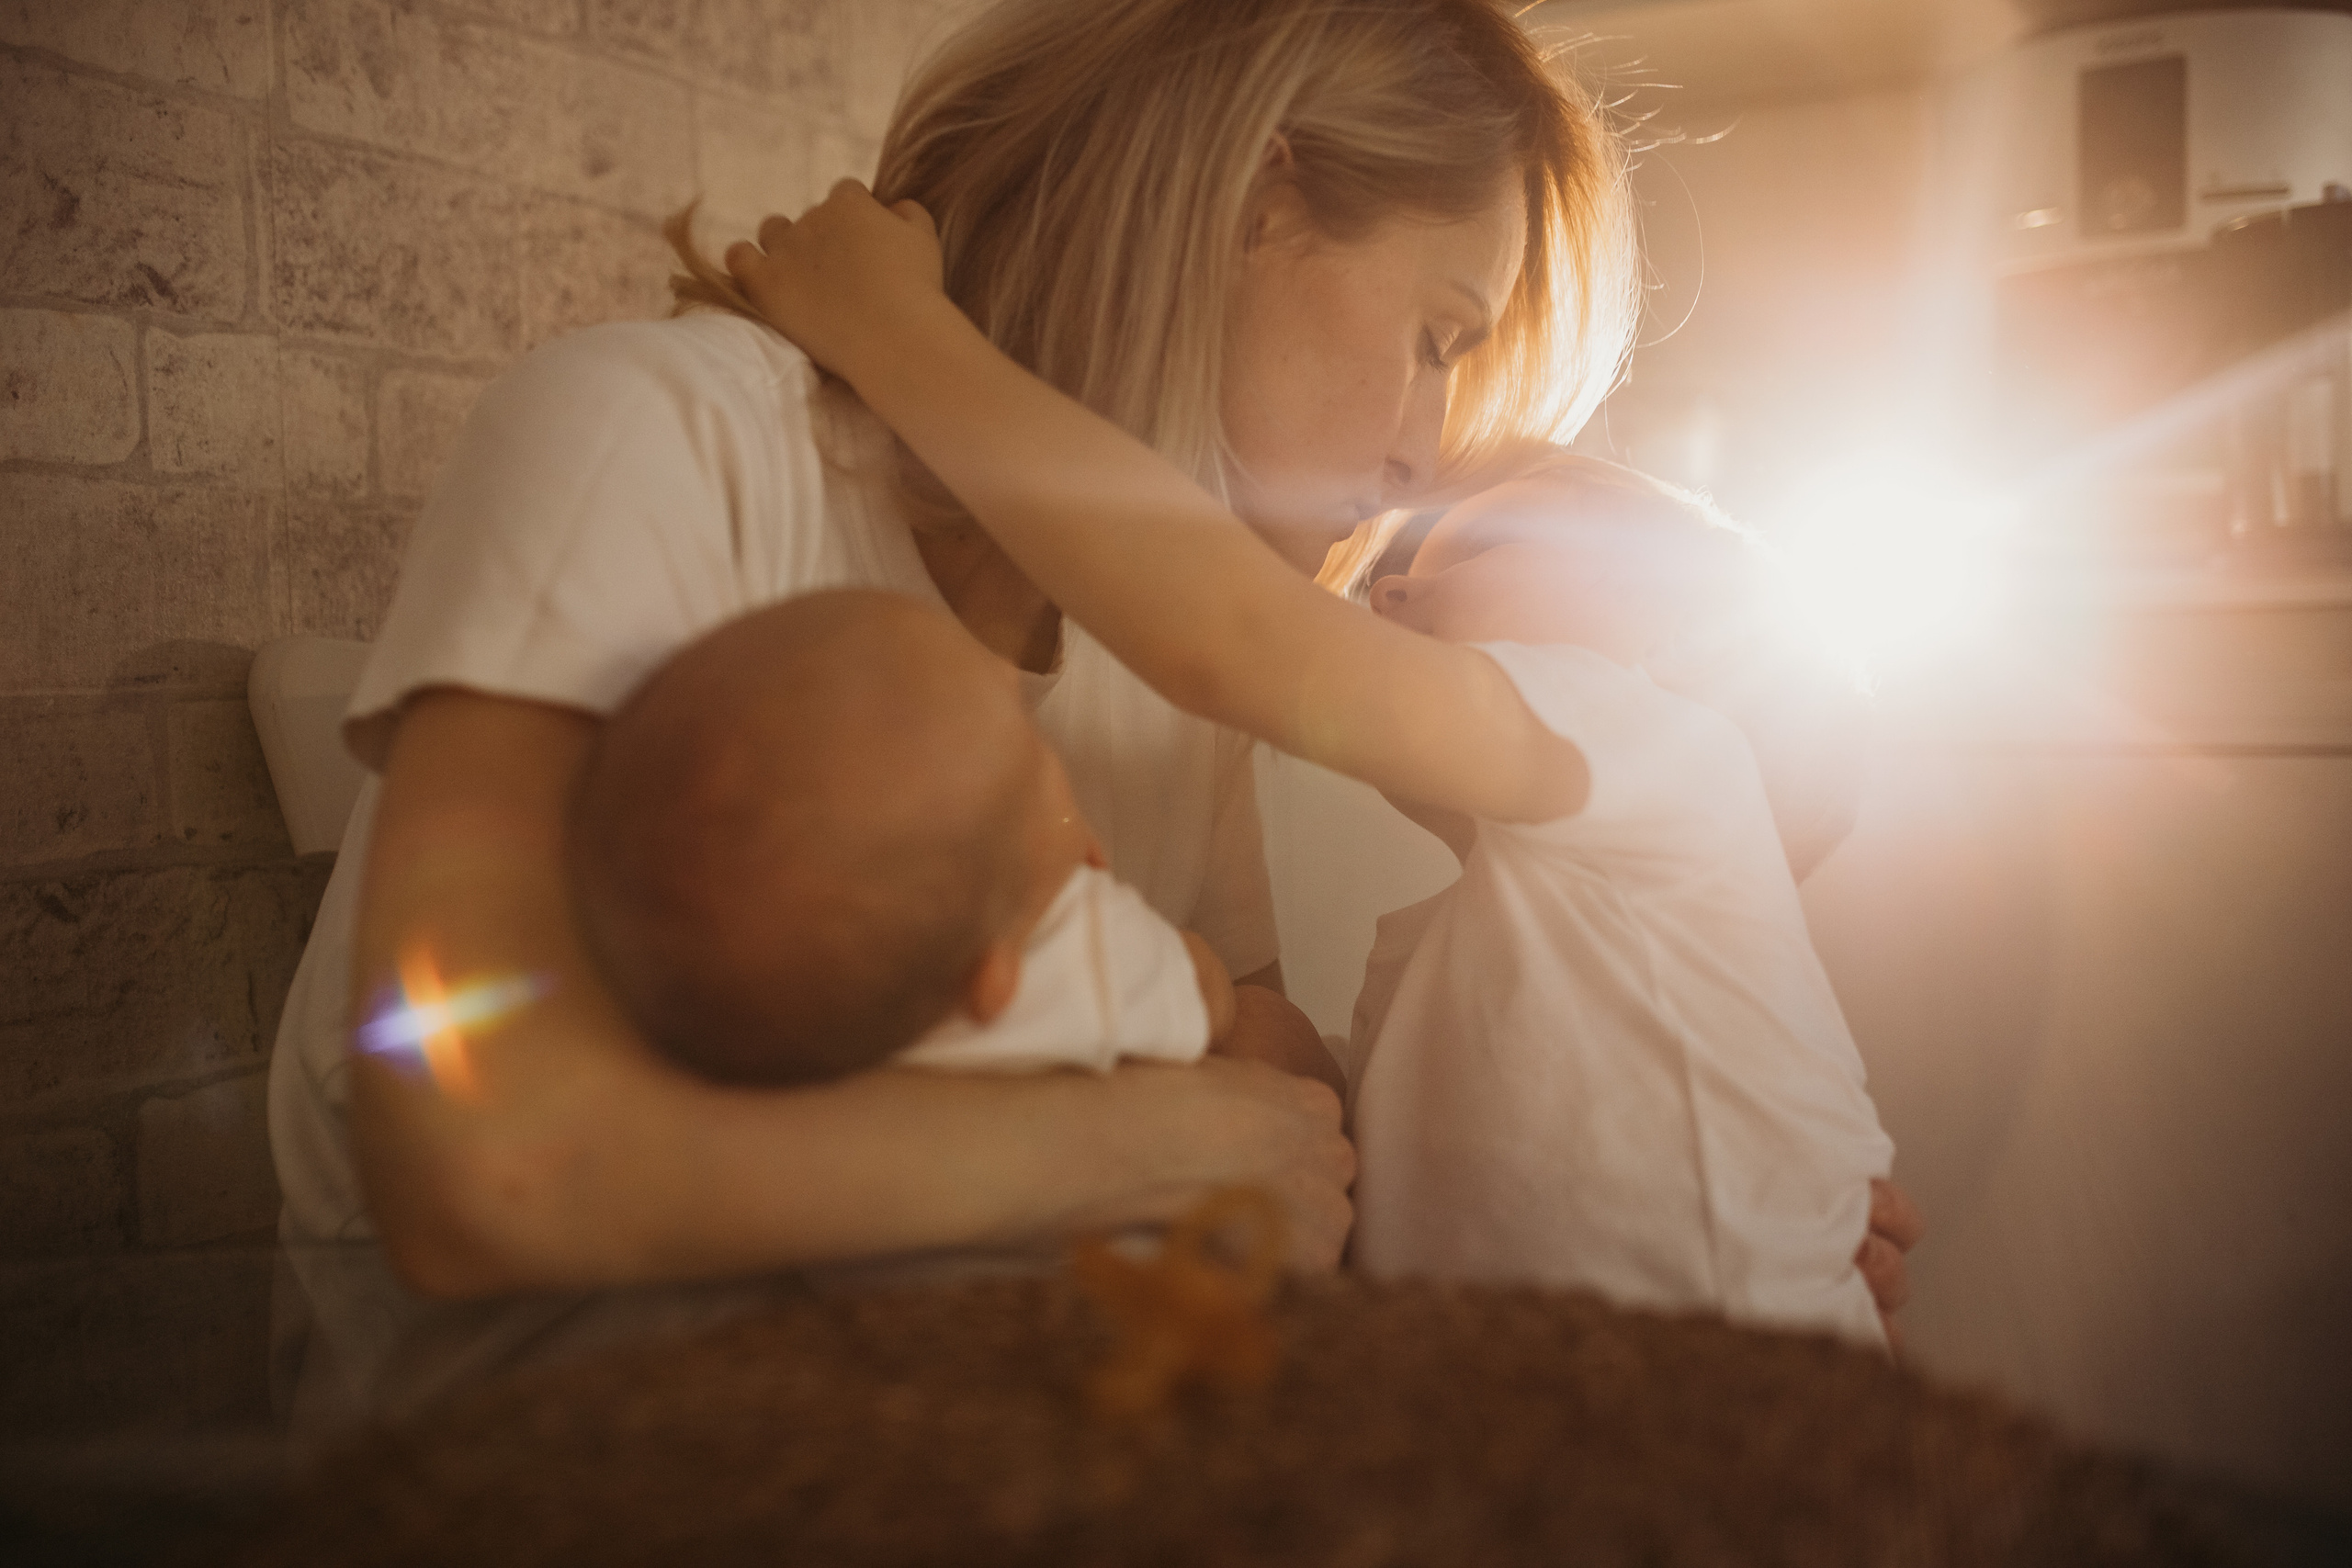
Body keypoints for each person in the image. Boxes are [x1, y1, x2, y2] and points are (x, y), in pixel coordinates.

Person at [266, 0, 1679, 1424]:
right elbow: (475, 1162)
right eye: (1440, 336)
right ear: (1256, 199)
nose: (1425, 449)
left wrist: (1698, 1185)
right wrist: (1109, 1142)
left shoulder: (1163, 660)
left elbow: (1273, 1098)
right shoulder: (657, 437)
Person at [719, 183, 1906, 1343]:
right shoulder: (1443, 956)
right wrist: (1207, 1009)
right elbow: (1340, 1154)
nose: (1393, 582)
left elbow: (1232, 639)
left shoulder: (1667, 757)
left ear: (1682, 626)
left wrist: (893, 331)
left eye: (1479, 537)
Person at [564, 588, 1252, 1088]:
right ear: (993, 981)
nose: (1009, 674)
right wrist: (1178, 955)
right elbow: (1209, 997)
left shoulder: (801, 1037)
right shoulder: (1073, 959)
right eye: (1028, 749)